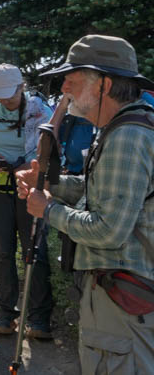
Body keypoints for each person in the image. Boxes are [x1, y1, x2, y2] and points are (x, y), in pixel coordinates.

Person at [18, 35, 154, 374]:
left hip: (123, 302)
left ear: (104, 85)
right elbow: (104, 191)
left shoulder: (127, 136)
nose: (64, 87)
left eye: (72, 80)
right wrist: (51, 185)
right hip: (126, 296)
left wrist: (47, 209)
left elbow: (109, 231)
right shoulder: (128, 126)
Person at [0, 64, 54, 339]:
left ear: (22, 87)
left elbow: (51, 153)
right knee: (2, 252)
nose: (6, 100)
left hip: (30, 190)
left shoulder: (41, 113)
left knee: (36, 252)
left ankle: (39, 320)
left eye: (11, 94)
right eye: (1, 96)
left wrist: (26, 167)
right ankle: (5, 315)